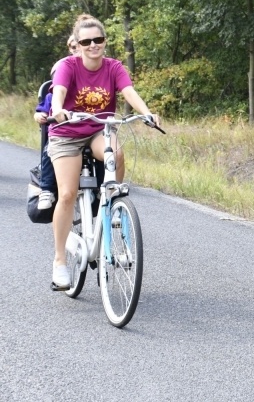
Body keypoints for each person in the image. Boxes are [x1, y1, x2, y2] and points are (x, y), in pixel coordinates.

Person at [47, 15, 160, 290]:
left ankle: (112, 204)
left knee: (117, 154)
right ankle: (60, 260)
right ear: (78, 44)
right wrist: (58, 109)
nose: (93, 45)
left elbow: (129, 91)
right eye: (86, 41)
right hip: (67, 133)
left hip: (99, 129)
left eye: (98, 40)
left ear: (105, 42)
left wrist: (147, 113)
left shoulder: (113, 67)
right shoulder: (67, 66)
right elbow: (59, 91)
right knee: (67, 194)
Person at [33, 35, 80, 210]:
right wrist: (40, 117)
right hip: (60, 135)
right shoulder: (52, 95)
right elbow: (40, 112)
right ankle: (46, 189)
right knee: (48, 151)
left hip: (85, 132)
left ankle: (102, 188)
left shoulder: (83, 93)